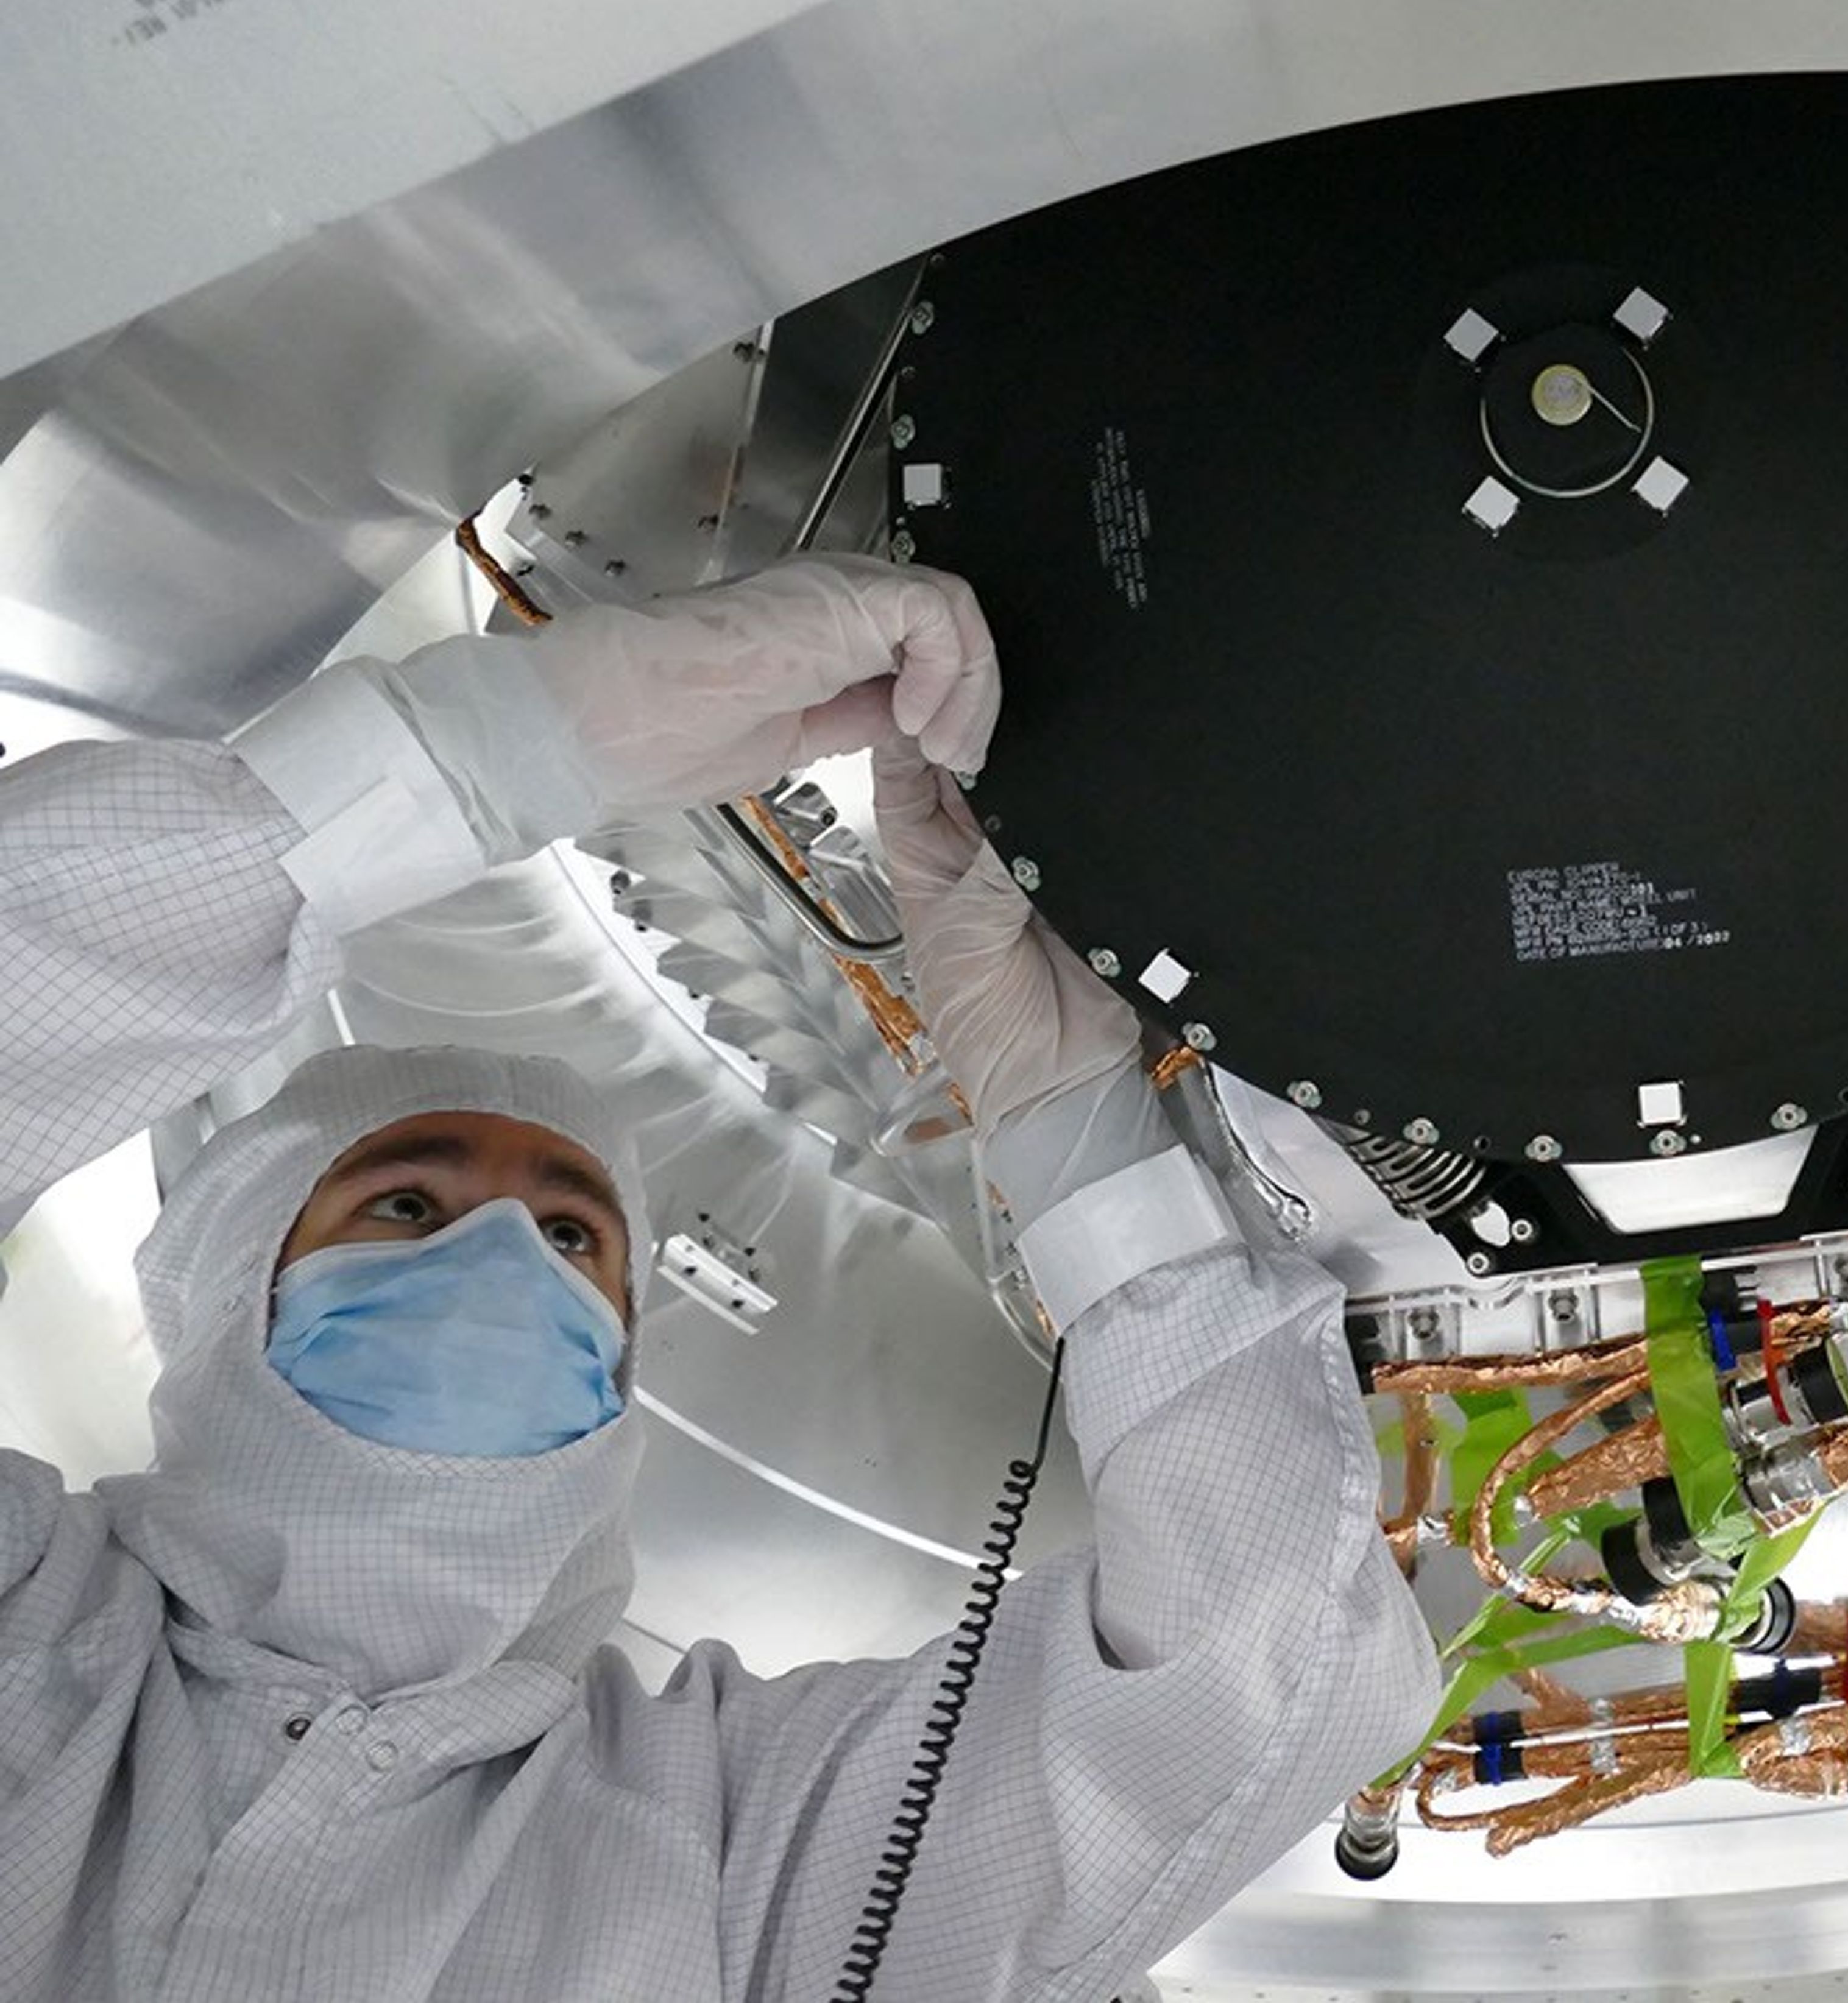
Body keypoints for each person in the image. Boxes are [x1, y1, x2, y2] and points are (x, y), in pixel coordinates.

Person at [0, 553, 1439, 2000]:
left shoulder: (747, 1837)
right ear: (219, 1283)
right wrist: (477, 755)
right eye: (406, 1201)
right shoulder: (32, 1645)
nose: (499, 1250)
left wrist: (1080, 1142)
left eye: (573, 1237)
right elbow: (1252, 1678)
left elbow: (1249, 1678)